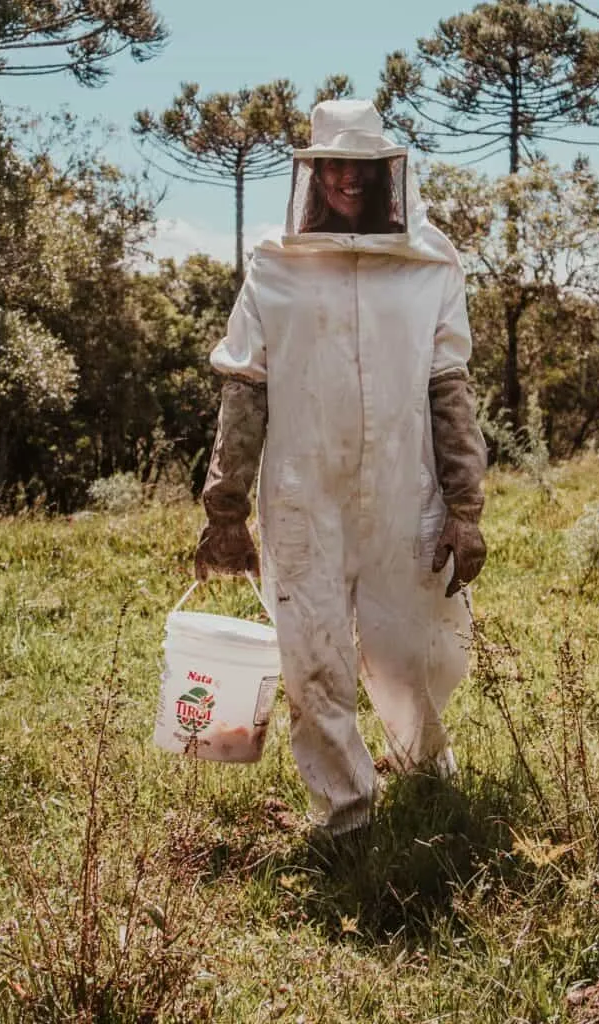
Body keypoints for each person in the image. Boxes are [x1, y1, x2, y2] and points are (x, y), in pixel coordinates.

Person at [195, 99, 487, 836]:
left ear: (385, 173)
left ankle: (423, 769)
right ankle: (347, 811)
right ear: (313, 172)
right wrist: (224, 510)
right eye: (333, 166)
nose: (347, 181)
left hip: (404, 489)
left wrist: (466, 506)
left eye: (360, 167)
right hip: (302, 493)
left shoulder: (430, 260)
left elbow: (448, 387)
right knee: (313, 654)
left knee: (414, 649)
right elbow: (245, 384)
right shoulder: (276, 259)